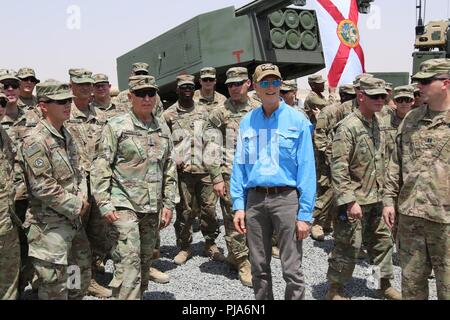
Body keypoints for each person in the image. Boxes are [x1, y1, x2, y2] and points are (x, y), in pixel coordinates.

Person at [231, 63, 316, 300]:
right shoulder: (247, 122)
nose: (271, 87)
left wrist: (305, 214)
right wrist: (238, 205)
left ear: (281, 85)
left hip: (286, 199)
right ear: (254, 86)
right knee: (259, 267)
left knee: (292, 269)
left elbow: (307, 169)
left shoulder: (297, 121)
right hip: (255, 200)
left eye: (275, 82)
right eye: (265, 83)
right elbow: (240, 165)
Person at [91, 75, 178, 300]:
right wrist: (103, 202)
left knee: (145, 259)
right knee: (128, 263)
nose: (147, 98)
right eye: (141, 94)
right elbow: (101, 165)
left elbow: (169, 168)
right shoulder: (116, 126)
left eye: (151, 93)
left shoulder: (162, 128)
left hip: (151, 206)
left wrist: (168, 203)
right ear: (130, 97)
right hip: (123, 203)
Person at [326, 77, 401, 300]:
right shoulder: (348, 127)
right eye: (375, 96)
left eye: (383, 96)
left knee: (381, 244)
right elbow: (338, 168)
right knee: (347, 245)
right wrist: (350, 201)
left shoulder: (380, 124)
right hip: (355, 201)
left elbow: (386, 163)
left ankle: (378, 284)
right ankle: (336, 289)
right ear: (361, 96)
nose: (381, 100)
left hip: (377, 199)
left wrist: (388, 200)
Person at [383, 59, 450, 300]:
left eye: (425, 81)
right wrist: (389, 201)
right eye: (417, 81)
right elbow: (395, 163)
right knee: (412, 287)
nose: (418, 86)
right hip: (410, 218)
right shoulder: (411, 119)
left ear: (445, 83)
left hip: (445, 222)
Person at [19, 80, 91, 300]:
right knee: (54, 286)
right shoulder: (35, 140)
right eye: (60, 102)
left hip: (73, 222)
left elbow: (78, 171)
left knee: (77, 275)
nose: (67, 105)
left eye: (68, 100)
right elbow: (42, 186)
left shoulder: (66, 134)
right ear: (43, 106)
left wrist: (82, 194)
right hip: (49, 227)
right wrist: (77, 204)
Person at [203, 67, 259, 287]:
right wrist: (216, 177)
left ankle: (240, 255)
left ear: (248, 84)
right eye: (230, 85)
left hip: (256, 175)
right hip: (229, 174)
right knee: (234, 218)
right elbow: (209, 145)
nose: (234, 88)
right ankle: (243, 263)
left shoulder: (258, 108)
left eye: (239, 83)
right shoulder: (219, 112)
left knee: (255, 219)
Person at [163, 74, 224, 265]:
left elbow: (213, 140)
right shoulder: (168, 115)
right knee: (184, 212)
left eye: (190, 86)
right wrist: (174, 156)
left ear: (194, 88)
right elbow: (162, 142)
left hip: (205, 170)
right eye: (183, 87)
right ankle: (184, 247)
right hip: (183, 174)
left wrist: (216, 173)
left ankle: (210, 243)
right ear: (177, 89)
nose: (187, 89)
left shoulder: (205, 113)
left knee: (209, 210)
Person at [65, 68, 111, 298]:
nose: (85, 88)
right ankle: (73, 285)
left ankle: (90, 277)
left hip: (98, 188)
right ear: (71, 85)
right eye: (80, 84)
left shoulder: (101, 116)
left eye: (88, 84)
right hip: (74, 190)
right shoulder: (63, 114)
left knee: (97, 235)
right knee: (73, 239)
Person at [310, 84, 356, 241]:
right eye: (347, 97)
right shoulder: (329, 111)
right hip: (326, 159)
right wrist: (328, 157)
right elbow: (319, 135)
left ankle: (333, 224)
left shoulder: (353, 112)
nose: (349, 100)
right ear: (342, 96)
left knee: (342, 193)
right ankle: (317, 223)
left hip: (345, 160)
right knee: (325, 190)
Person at [0, 89, 20, 300]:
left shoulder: (4, 135)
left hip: (7, 218)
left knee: (9, 276)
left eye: (2, 103)